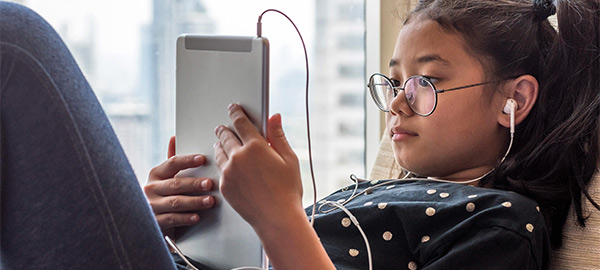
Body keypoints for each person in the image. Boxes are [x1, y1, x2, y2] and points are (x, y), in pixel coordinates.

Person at [145, 0, 600, 269]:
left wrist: (278, 217)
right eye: (396, 82)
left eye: (427, 83)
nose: (398, 104)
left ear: (515, 100)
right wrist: (176, 225)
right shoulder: (378, 192)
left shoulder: (501, 224)